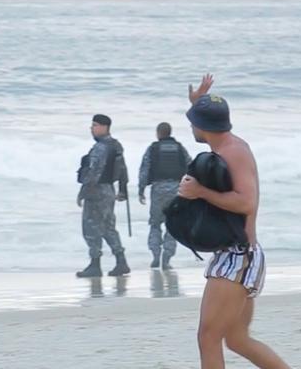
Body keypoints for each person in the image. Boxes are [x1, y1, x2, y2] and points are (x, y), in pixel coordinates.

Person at [178, 74, 289, 369]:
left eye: (193, 121)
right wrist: (197, 102)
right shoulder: (225, 144)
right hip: (241, 255)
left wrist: (200, 191)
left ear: (203, 126)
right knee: (237, 339)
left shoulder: (234, 152)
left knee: (208, 337)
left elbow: (246, 202)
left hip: (238, 256)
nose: (191, 127)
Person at [76, 114, 131, 278]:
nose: (92, 129)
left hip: (97, 191)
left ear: (104, 127)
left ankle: (95, 265)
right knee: (108, 228)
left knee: (91, 228)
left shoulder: (101, 147)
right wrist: (122, 189)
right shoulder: (116, 145)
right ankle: (121, 261)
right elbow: (123, 169)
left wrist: (83, 192)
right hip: (109, 191)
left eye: (94, 125)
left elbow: (94, 172)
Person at [139, 122, 192, 270]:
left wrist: (141, 190)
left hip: (158, 190)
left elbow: (144, 170)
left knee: (155, 224)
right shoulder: (180, 148)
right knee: (172, 225)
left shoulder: (153, 148)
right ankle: (167, 259)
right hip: (176, 190)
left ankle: (155, 255)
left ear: (158, 133)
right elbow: (191, 167)